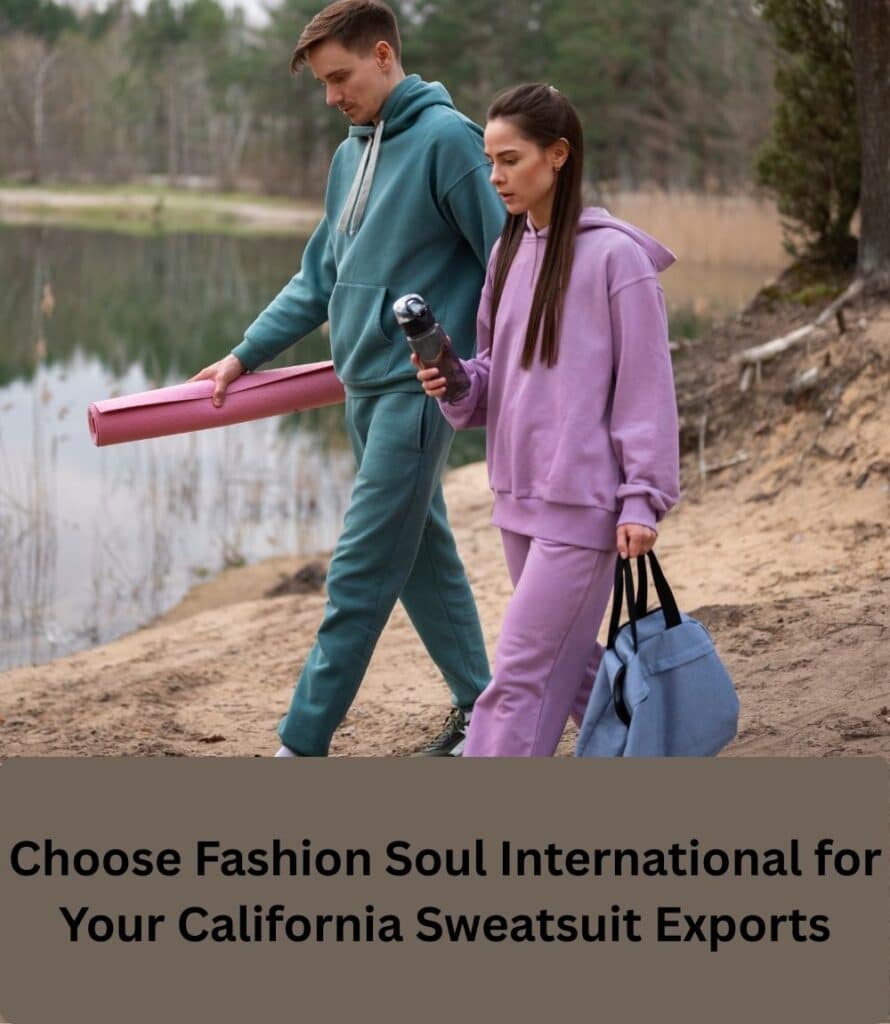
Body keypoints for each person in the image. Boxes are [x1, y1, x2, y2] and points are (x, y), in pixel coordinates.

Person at [191, 0, 505, 757]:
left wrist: (490, 374)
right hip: (362, 392)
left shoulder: (447, 141)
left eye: (341, 77)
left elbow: (510, 261)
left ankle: (301, 745)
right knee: (424, 559)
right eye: (324, 84)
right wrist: (243, 356)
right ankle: (482, 710)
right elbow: (316, 282)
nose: (333, 96)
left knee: (359, 573)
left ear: (385, 55)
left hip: (421, 393)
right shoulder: (348, 157)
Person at [415, 83, 681, 757]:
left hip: (584, 504)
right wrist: (451, 376)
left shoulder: (617, 260)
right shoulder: (507, 255)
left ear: (557, 156)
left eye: (510, 159)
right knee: (567, 662)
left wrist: (642, 498)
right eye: (490, 161)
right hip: (517, 498)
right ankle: (658, 748)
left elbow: (647, 390)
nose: (495, 176)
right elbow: (493, 382)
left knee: (519, 675)